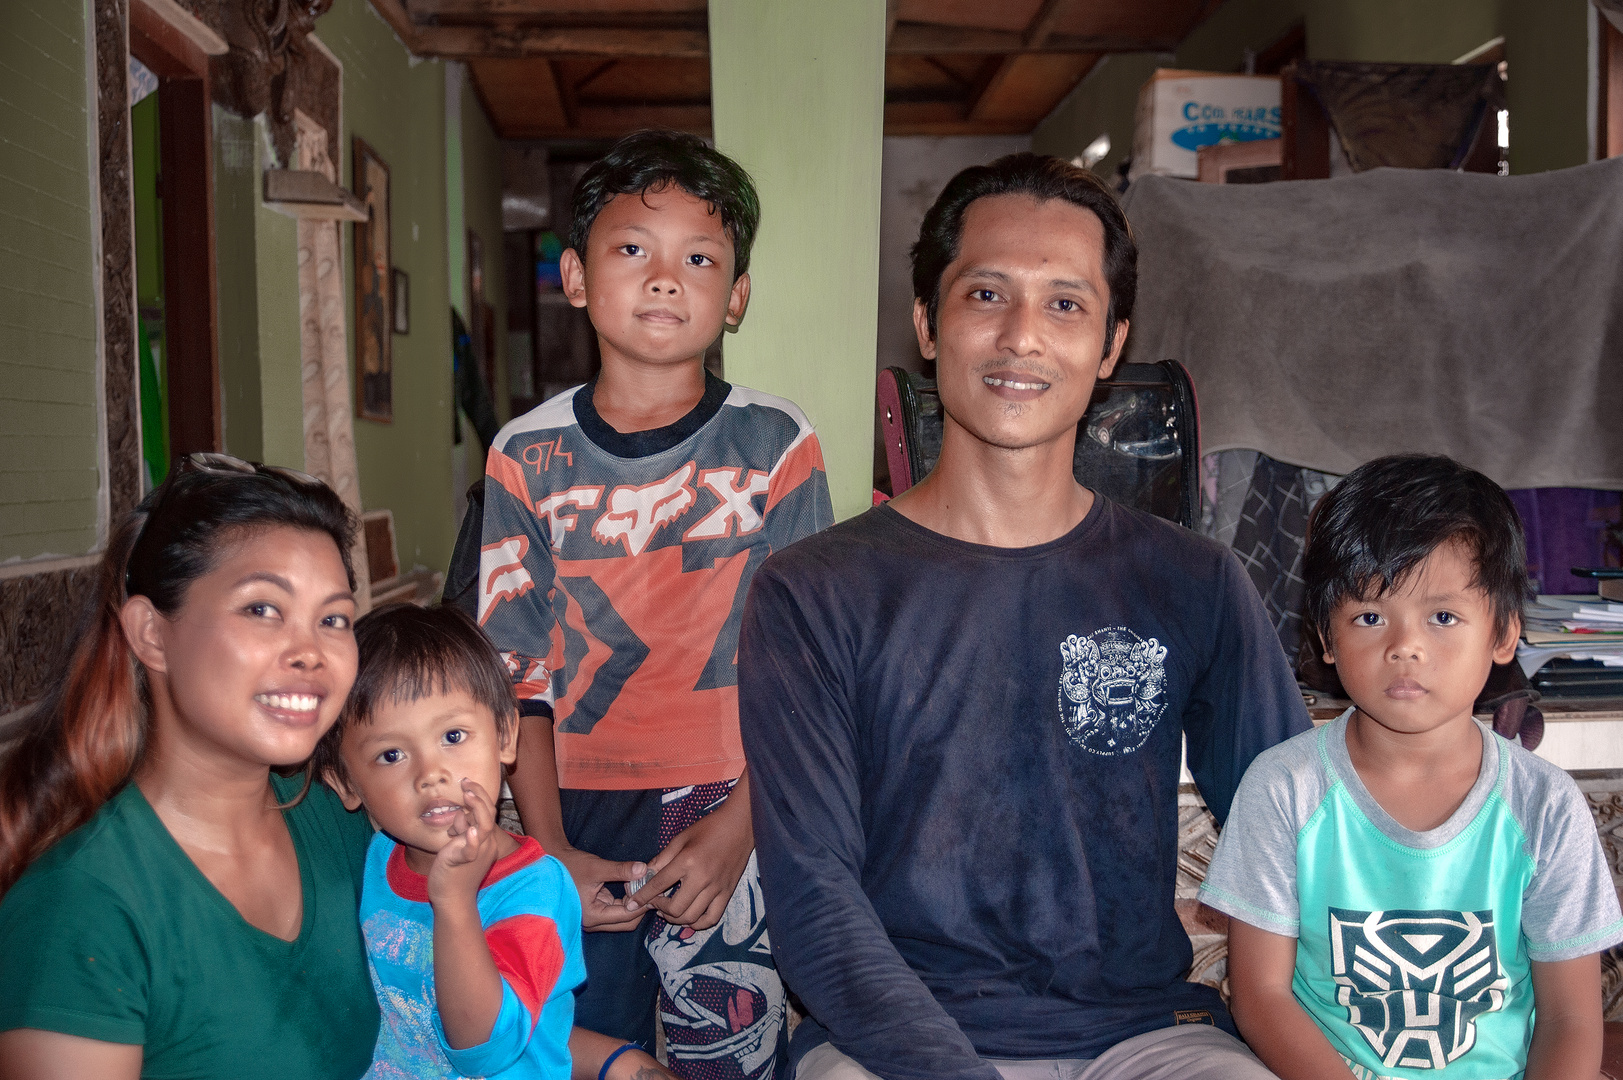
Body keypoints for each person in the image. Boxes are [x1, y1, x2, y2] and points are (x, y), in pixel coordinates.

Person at [738, 152, 1309, 1080]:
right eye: (986, 295)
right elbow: (814, 901)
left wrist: (1446, 731)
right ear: (927, 322)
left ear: (1112, 343)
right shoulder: (813, 592)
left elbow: (1299, 837)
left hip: (1146, 1038)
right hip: (889, 1047)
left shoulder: (1191, 581)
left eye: (1065, 304)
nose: (1022, 337)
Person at [478, 129, 833, 1080]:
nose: (666, 278)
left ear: (738, 296)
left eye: (701, 257)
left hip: (730, 794)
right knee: (569, 1048)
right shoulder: (525, 452)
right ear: (577, 277)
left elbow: (810, 673)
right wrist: (547, 848)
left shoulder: (777, 441)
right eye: (633, 249)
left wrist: (740, 828)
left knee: (732, 1055)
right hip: (569, 798)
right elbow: (514, 671)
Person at [1201, 455, 1623, 1080]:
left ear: (1504, 634)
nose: (1405, 646)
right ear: (1325, 635)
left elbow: (1571, 1021)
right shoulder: (1282, 788)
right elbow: (1262, 997)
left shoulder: (1546, 806)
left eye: (1444, 617)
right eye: (1370, 617)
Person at [0, 455, 380, 1079]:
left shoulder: (337, 820)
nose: (311, 652)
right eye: (262, 609)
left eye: (333, 619)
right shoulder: (81, 911)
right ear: (151, 634)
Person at [314, 602, 587, 1078]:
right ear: (345, 783)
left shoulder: (535, 889)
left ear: (504, 734)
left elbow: (484, 1048)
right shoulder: (377, 858)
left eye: (454, 735)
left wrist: (456, 902)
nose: (431, 774)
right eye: (392, 753)